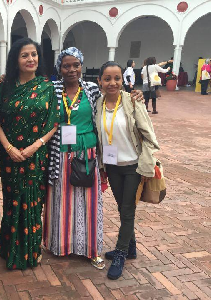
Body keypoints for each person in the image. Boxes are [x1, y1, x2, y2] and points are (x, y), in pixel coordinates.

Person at [0, 38, 59, 270]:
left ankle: (30, 251)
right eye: (25, 55)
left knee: (32, 201)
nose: (31, 59)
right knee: (12, 201)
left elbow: (53, 123)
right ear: (16, 59)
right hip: (9, 155)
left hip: (35, 156)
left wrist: (35, 146)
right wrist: (9, 148)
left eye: (34, 54)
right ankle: (9, 248)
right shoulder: (4, 86)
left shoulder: (47, 87)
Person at [95, 61, 159, 280]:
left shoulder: (133, 102)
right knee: (123, 210)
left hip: (133, 166)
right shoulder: (98, 104)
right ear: (100, 81)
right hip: (112, 167)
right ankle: (130, 247)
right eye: (107, 78)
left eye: (117, 78)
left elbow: (149, 136)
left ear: (123, 80)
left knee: (128, 210)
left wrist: (145, 164)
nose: (112, 83)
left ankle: (121, 253)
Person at [44, 47, 105, 270]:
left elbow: (110, 104)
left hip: (87, 154)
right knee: (62, 201)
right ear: (59, 68)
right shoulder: (52, 90)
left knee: (89, 203)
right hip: (60, 155)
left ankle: (91, 249)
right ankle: (60, 245)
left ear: (82, 66)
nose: (71, 70)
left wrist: (134, 95)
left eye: (76, 65)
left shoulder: (92, 89)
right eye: (66, 65)